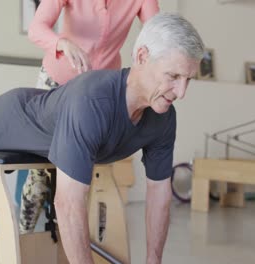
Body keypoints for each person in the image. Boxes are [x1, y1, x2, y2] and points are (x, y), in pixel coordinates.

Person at [0, 14, 204, 264]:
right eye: (174, 77)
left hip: (56, 122)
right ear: (141, 56)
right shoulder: (94, 100)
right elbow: (68, 203)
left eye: (189, 79)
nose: (182, 92)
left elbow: (160, 196)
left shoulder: (163, 115)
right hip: (15, 117)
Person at [21, 0, 161, 234]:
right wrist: (61, 42)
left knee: (95, 173)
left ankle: (89, 248)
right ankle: (22, 241)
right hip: (56, 81)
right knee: (40, 173)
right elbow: (36, 28)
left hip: (101, 92)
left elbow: (159, 33)